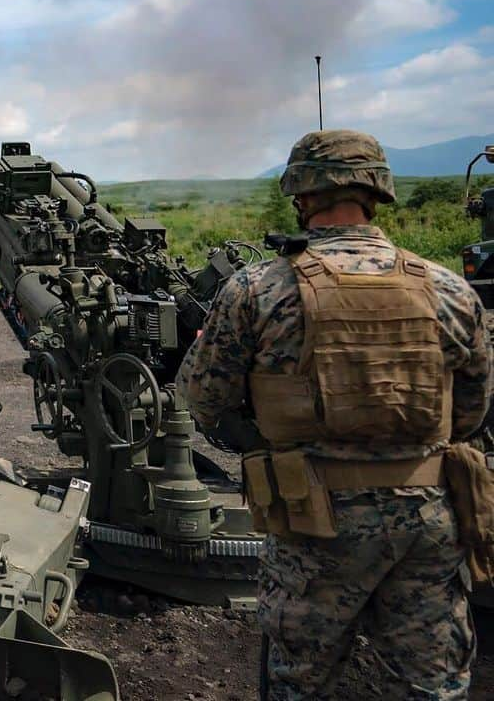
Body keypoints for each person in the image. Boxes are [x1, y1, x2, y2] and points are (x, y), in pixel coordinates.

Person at [178, 130, 492, 700]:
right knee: (432, 685)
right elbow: (470, 414)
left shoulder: (256, 289)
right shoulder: (448, 289)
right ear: (378, 193)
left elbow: (202, 400)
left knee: (301, 683)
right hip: (426, 520)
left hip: (313, 524)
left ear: (300, 195)